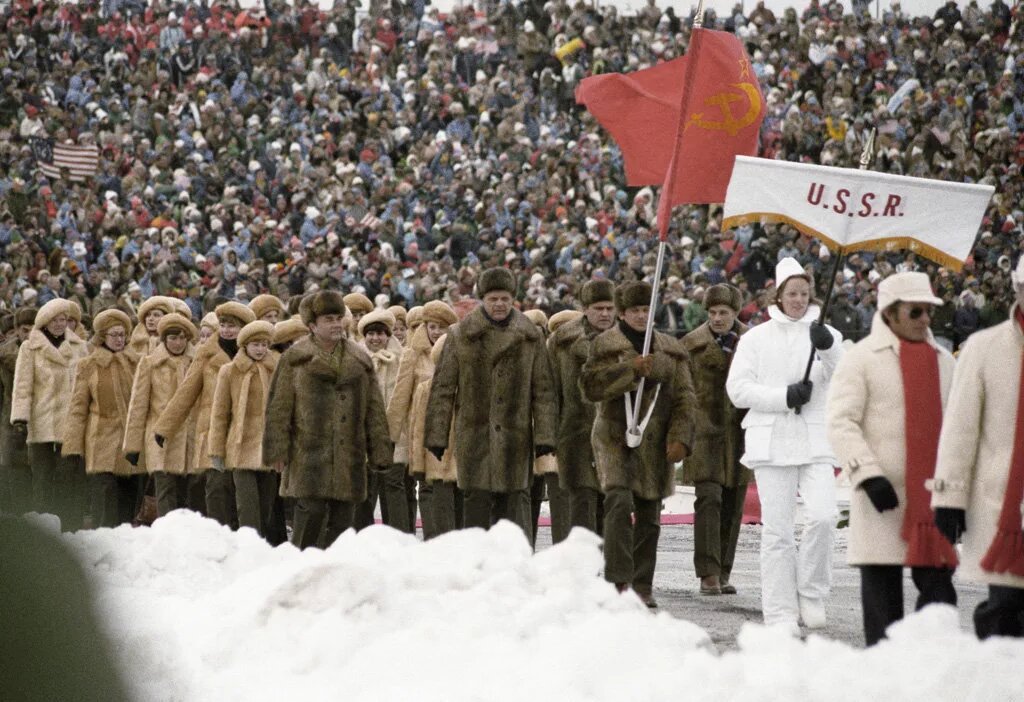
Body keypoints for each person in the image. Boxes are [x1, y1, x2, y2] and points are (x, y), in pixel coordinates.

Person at [827, 272, 957, 646]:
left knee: (939, 601)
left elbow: (959, 431)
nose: (925, 319)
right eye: (916, 311)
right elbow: (840, 422)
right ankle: (884, 673)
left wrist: (958, 494)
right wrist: (867, 475)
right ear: (890, 313)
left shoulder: (945, 362)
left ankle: (933, 667)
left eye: (929, 311)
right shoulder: (861, 359)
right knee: (882, 604)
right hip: (881, 498)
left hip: (932, 500)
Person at [726, 257, 843, 632]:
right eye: (792, 293)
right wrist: (784, 396)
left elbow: (845, 378)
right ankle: (779, 609)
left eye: (804, 293)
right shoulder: (755, 339)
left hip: (815, 439)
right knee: (777, 531)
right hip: (772, 440)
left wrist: (828, 349)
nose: (798, 300)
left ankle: (811, 591)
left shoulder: (827, 334)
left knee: (823, 516)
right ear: (778, 295)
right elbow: (737, 390)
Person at [581, 281, 696, 608]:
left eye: (646, 310)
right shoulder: (604, 344)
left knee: (650, 513)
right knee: (618, 502)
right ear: (622, 313)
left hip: (654, 439)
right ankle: (618, 580)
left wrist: (680, 437)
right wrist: (628, 369)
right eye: (635, 310)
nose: (641, 316)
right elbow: (590, 387)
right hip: (614, 436)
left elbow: (685, 398)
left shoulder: (671, 350)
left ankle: (642, 584)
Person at [424, 267, 557, 542]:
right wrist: (437, 435)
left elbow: (543, 390)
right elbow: (443, 389)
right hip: (475, 438)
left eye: (505, 298)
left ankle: (513, 564)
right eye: (493, 298)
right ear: (482, 299)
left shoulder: (531, 337)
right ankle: (476, 564)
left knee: (513, 511)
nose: (499, 304)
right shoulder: (461, 335)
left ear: (513, 299)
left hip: (515, 439)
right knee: (476, 511)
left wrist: (545, 436)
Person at [931, 257, 1024, 639]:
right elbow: (960, 429)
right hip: (1003, 503)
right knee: (1006, 605)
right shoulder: (984, 348)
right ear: (1017, 289)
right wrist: (949, 499)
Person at [263, 290, 393, 549]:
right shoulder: (295, 359)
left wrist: (379, 450)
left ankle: (335, 571)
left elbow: (374, 409)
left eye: (338, 318)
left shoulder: (360, 359)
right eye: (328, 319)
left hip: (349, 457)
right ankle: (302, 569)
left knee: (342, 526)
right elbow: (278, 408)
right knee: (309, 520)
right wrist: (277, 450)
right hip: (308, 456)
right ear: (312, 325)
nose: (336, 324)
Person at [154, 301, 256, 526]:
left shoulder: (254, 353)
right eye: (223, 325)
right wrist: (165, 427)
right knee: (216, 488)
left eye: (233, 326)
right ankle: (218, 534)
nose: (227, 330)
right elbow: (186, 391)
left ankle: (244, 537)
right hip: (212, 431)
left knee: (243, 493)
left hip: (245, 433)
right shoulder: (206, 354)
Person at [683, 284, 750, 596]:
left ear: (735, 312)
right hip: (704, 434)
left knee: (734, 505)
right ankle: (708, 572)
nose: (717, 318)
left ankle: (724, 570)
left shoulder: (752, 343)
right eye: (712, 312)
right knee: (708, 500)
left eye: (723, 312)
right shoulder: (691, 345)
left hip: (741, 433)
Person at [62, 310, 146, 528]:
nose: (119, 339)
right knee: (104, 496)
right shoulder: (88, 365)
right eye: (113, 335)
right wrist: (73, 446)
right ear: (102, 336)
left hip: (131, 442)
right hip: (100, 441)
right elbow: (78, 408)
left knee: (129, 501)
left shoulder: (138, 363)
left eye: (122, 334)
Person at [10, 299, 90, 530]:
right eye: (54, 320)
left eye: (63, 319)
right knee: (42, 477)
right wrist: (20, 419)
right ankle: (43, 529)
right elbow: (23, 386)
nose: (59, 324)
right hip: (42, 421)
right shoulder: (30, 348)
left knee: (69, 477)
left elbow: (87, 386)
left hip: (71, 423)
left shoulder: (79, 347)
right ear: (44, 322)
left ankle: (70, 528)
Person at [548, 279, 615, 537]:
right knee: (581, 506)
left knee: (613, 508)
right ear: (585, 309)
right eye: (598, 308)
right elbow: (550, 391)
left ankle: (610, 561)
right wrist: (551, 434)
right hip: (576, 434)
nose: (605, 314)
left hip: (617, 436)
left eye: (609, 308)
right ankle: (583, 560)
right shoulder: (562, 341)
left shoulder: (631, 339)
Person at [387, 300, 459, 539]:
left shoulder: (460, 353)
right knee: (427, 487)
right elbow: (400, 397)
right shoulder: (412, 355)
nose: (436, 332)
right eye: (432, 326)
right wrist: (390, 437)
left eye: (441, 327)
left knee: (453, 487)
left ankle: (454, 540)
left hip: (455, 431)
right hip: (423, 431)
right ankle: (432, 541)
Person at [208, 320, 280, 541]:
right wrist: (216, 450)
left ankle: (261, 546)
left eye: (264, 344)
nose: (260, 349)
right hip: (239, 448)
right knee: (247, 506)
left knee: (266, 508)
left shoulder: (275, 369)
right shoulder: (229, 371)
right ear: (245, 345)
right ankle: (249, 546)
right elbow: (220, 413)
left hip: (268, 450)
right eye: (255, 344)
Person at [123, 313, 199, 517]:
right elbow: (138, 406)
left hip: (189, 439)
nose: (178, 343)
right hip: (159, 439)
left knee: (187, 496)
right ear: (164, 339)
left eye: (182, 338)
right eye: (173, 338)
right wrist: (132, 445)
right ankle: (165, 532)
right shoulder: (149, 364)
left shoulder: (196, 363)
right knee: (164, 491)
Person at [354, 308, 406, 532]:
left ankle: (398, 534)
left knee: (393, 484)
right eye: (371, 334)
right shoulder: (354, 359)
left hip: (394, 432)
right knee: (364, 485)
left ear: (388, 335)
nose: (375, 338)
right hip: (363, 432)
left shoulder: (401, 358)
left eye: (380, 333)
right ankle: (362, 534)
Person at [524, 308, 569, 546]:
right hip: (525, 435)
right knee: (526, 497)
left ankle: (563, 551)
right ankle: (524, 550)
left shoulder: (556, 359)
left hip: (553, 436)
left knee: (560, 496)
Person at [0, 308, 35, 516]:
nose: (29, 334)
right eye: (24, 330)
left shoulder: (47, 353)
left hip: (39, 422)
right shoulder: (5, 356)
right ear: (17, 330)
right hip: (11, 422)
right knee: (15, 476)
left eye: (33, 329)